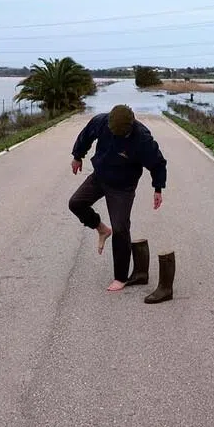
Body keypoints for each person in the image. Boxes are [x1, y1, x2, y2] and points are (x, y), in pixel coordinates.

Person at [68, 104, 173, 301]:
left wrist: (158, 188)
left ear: (131, 126)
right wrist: (77, 156)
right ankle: (101, 229)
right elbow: (86, 136)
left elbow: (158, 163)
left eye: (122, 135)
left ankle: (121, 277)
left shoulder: (142, 138)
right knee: (75, 203)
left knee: (121, 228)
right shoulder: (101, 121)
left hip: (123, 187)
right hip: (100, 177)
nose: (117, 137)